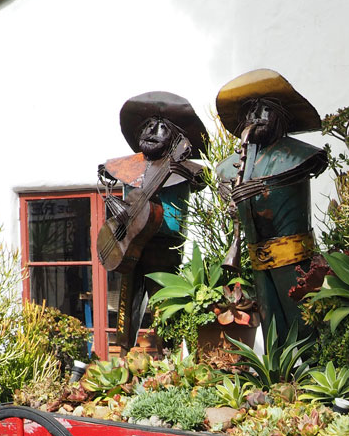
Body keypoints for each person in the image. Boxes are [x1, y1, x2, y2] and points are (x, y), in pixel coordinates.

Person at [215, 69, 327, 338]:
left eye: (266, 109)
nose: (257, 117)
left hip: (294, 258)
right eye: (251, 111)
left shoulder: (298, 155)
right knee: (271, 330)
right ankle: (277, 377)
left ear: (281, 117)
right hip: (257, 257)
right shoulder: (232, 165)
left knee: (303, 326)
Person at [97, 92, 208, 350]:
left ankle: (169, 355)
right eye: (148, 125)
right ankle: (124, 350)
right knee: (127, 303)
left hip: (164, 244)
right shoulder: (128, 165)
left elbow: (201, 178)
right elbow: (107, 174)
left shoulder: (183, 168)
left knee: (166, 303)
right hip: (128, 242)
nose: (152, 131)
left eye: (161, 128)